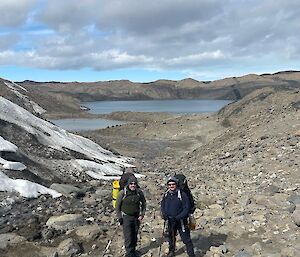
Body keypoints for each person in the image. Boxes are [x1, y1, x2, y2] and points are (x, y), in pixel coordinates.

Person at [161, 176, 195, 257]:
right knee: (171, 237)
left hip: (181, 221)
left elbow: (186, 208)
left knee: (186, 239)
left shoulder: (182, 195)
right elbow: (163, 205)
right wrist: (164, 214)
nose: (171, 186)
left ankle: (191, 255)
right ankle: (171, 252)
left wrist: (178, 217)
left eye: (173, 184)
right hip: (170, 220)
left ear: (176, 185)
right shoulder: (166, 194)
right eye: (169, 185)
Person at [115, 176, 146, 257]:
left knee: (134, 235)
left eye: (135, 184)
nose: (133, 185)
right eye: (131, 184)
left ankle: (133, 251)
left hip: (136, 217)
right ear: (128, 184)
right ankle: (129, 254)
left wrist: (142, 214)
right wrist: (120, 218)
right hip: (126, 217)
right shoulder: (122, 193)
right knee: (128, 236)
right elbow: (117, 206)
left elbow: (144, 204)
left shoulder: (139, 193)